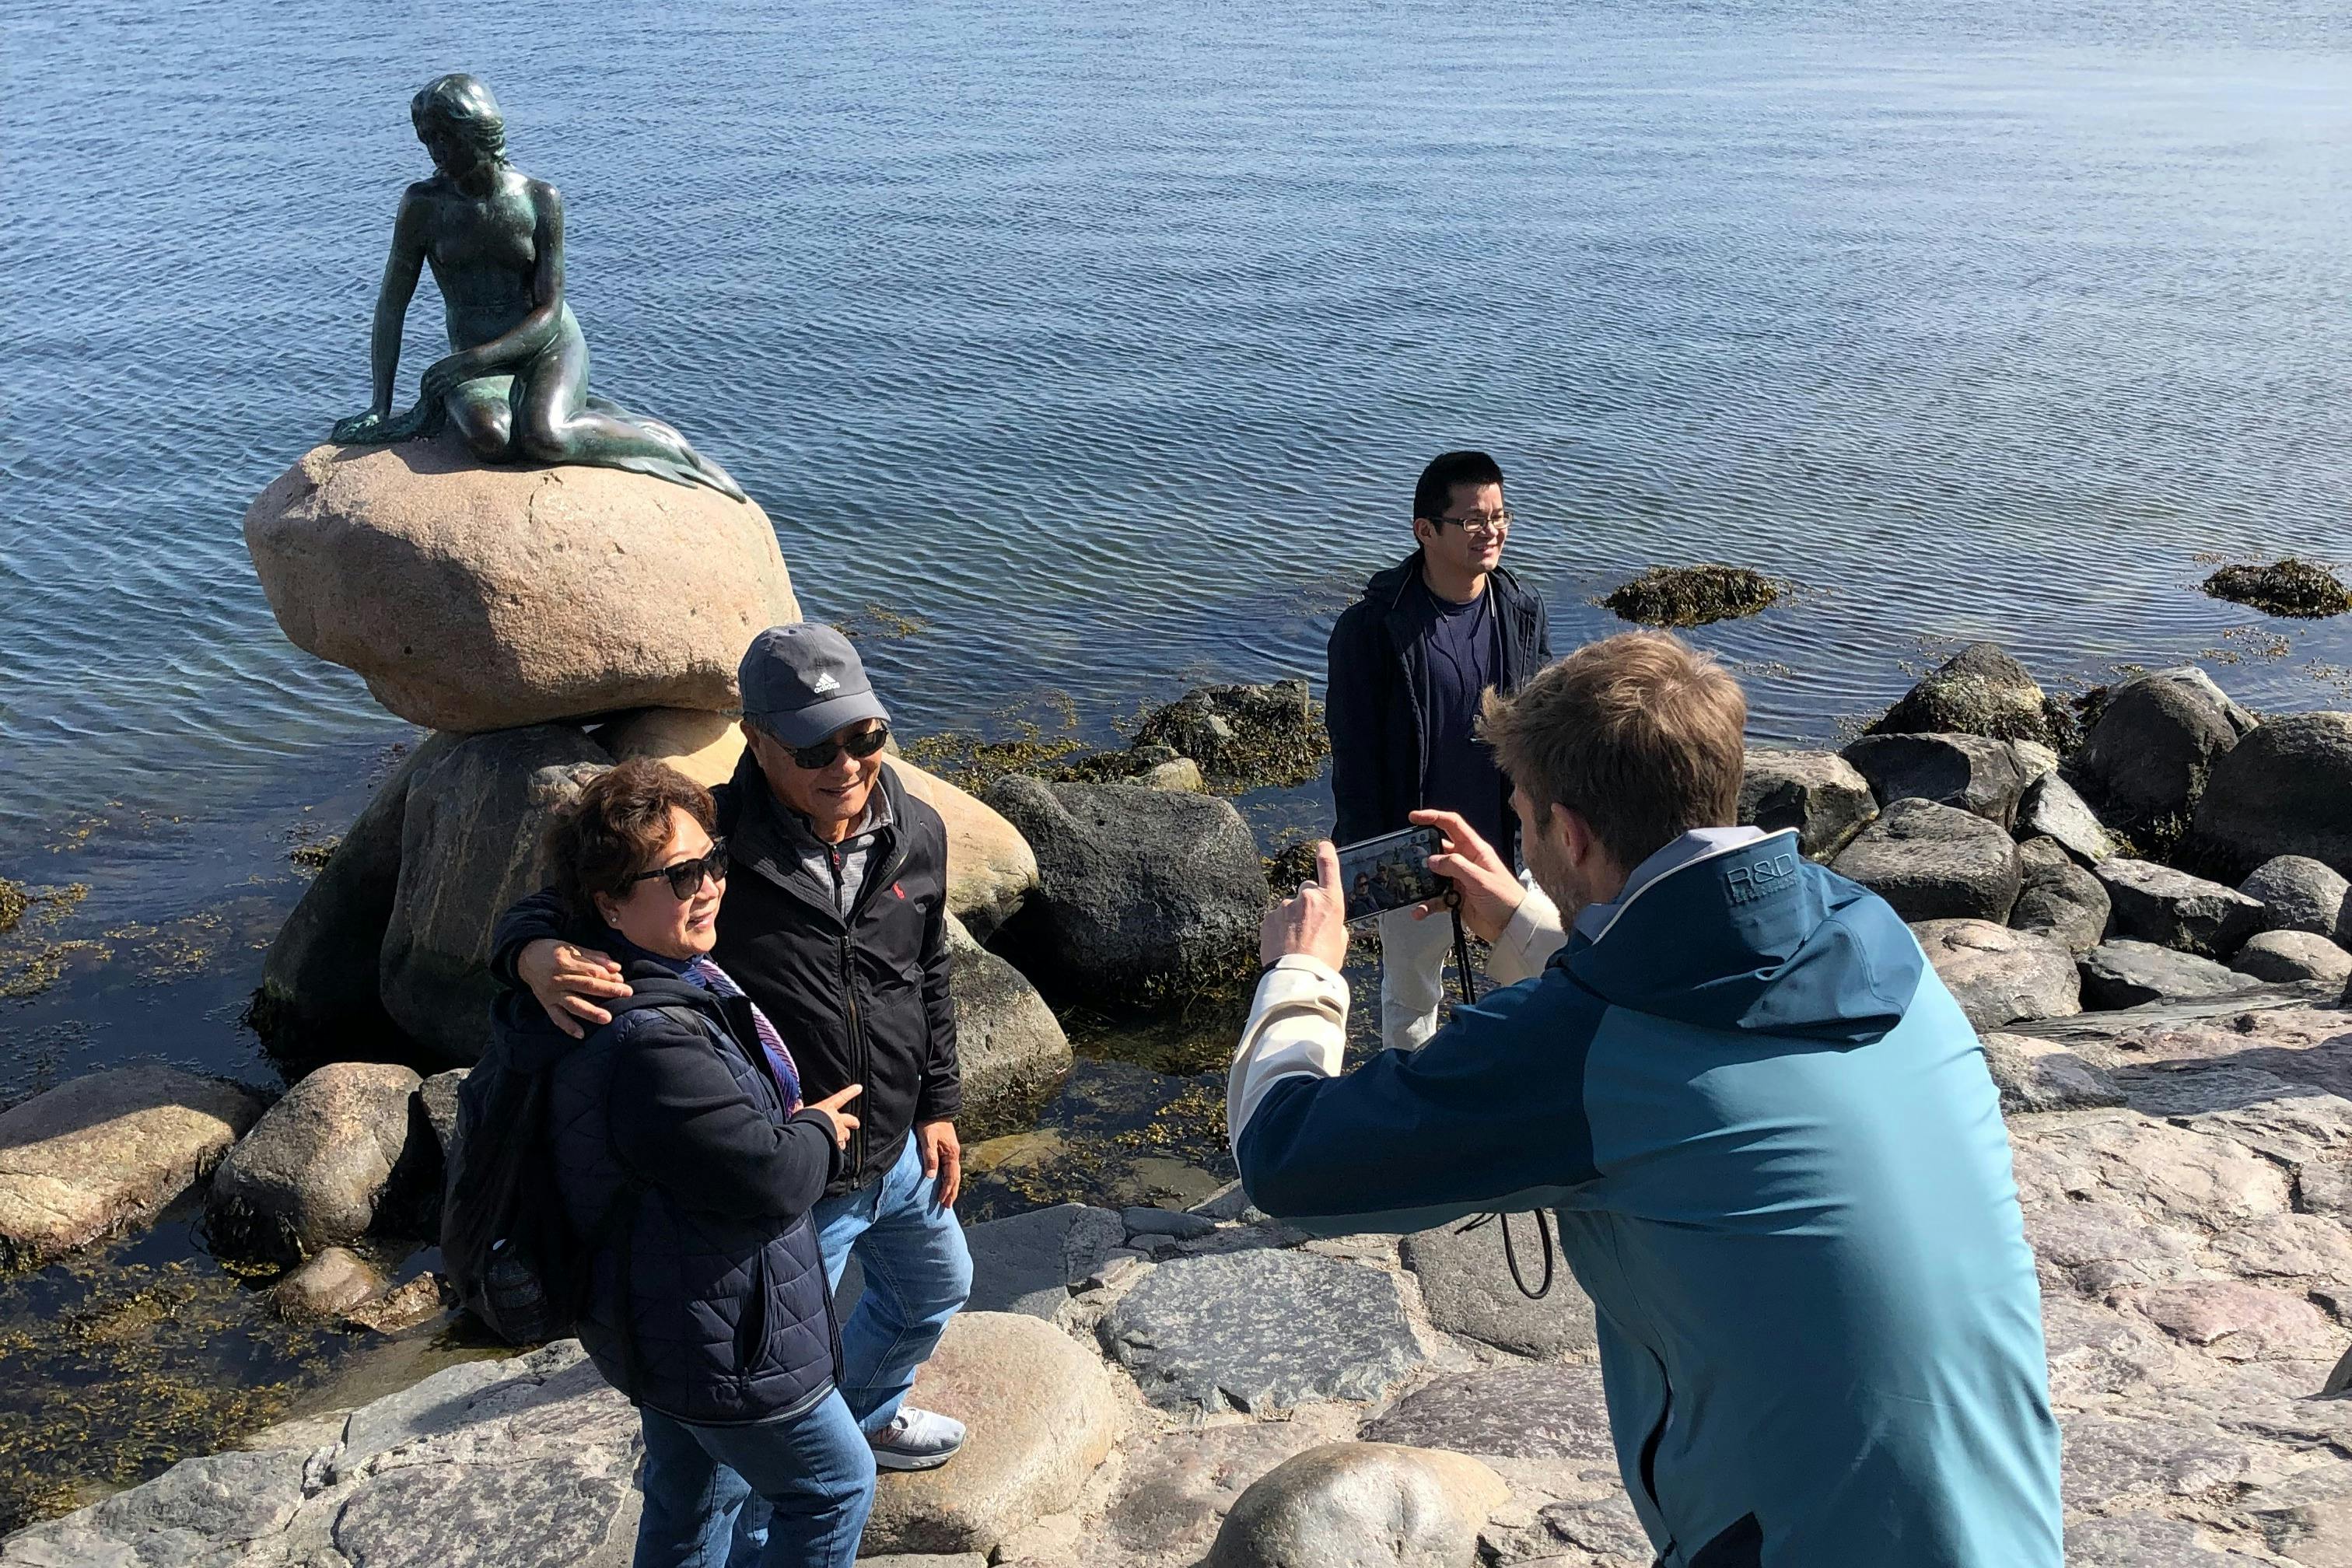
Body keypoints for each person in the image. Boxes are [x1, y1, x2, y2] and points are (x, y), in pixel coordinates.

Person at [1230, 632, 2063, 1566]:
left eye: (1526, 824)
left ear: (1572, 833)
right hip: (2005, 1518)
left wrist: (1301, 970)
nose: (1525, 846)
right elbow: (1698, 1008)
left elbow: (1283, 1155)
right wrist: (1525, 928)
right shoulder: (1869, 935)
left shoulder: (1581, 1052)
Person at [495, 624, 972, 1473]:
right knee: (770, 1387)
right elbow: (564, 901)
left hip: (896, 1145)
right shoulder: (712, 851)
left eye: (864, 737)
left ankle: (868, 1416)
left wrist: (939, 1102)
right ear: (756, 738)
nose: (846, 766)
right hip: (792, 1177)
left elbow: (927, 969)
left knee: (937, 1288)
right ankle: (775, 1489)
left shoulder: (916, 830)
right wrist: (529, 954)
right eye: (813, 745)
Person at [534, 759, 872, 1567]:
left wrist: (526, 950)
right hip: (722, 1333)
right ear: (610, 902)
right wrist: (819, 1132)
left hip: (665, 1319)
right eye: (681, 874)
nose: (710, 884)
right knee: (833, 1487)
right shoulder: (652, 1040)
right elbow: (774, 1176)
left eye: (713, 861)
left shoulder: (636, 975)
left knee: (694, 1498)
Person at [331, 73, 744, 499]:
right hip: (477, 354)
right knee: (492, 439)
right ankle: (575, 407)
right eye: (428, 140)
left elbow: (548, 313)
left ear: (479, 132)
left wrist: (469, 362)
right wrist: (380, 405)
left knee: (546, 437)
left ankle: (666, 447)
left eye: (446, 138)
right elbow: (391, 305)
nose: (436, 152)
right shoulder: (422, 206)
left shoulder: (539, 199)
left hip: (547, 344)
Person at [1325, 450, 1552, 1052]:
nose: (1492, 531)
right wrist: (1370, 864)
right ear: (1425, 529)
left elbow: (1541, 726)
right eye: (1473, 519)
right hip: (1415, 853)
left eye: (1501, 515)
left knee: (1531, 976)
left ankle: (1516, 1089)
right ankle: (1412, 1111)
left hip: (1508, 842)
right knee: (1412, 995)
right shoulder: (1371, 629)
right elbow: (1354, 755)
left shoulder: (1520, 609)